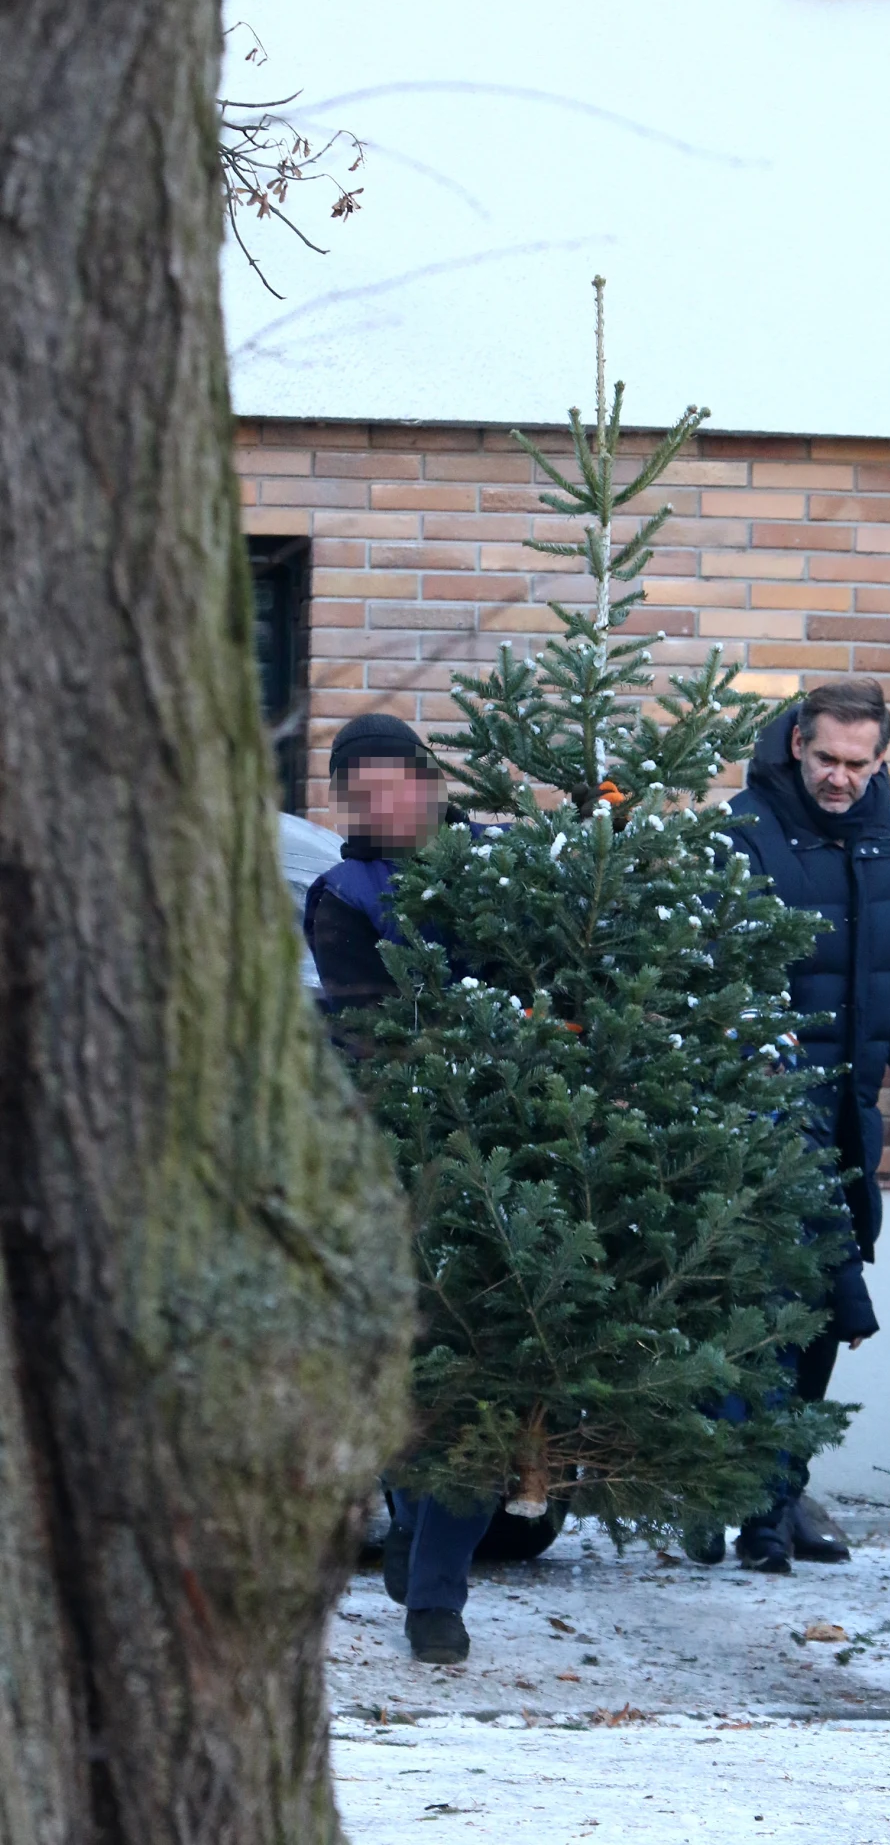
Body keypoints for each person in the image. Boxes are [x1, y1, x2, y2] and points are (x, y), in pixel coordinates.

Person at [719, 678, 890, 1571]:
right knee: (775, 1306)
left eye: (859, 763)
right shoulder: (745, 830)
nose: (840, 777)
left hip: (851, 1113)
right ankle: (752, 1506)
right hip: (767, 1110)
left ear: (881, 759)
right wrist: (765, 1082)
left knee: (821, 1313)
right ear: (795, 746)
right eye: (826, 759)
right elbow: (723, 979)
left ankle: (779, 1487)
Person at [304, 712, 495, 1667]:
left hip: (513, 1164)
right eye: (361, 794)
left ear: (428, 780)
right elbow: (369, 1027)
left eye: (396, 785)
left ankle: (436, 1595)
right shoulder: (344, 894)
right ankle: (415, 1525)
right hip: (401, 1161)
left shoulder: (497, 868)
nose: (383, 807)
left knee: (482, 1373)